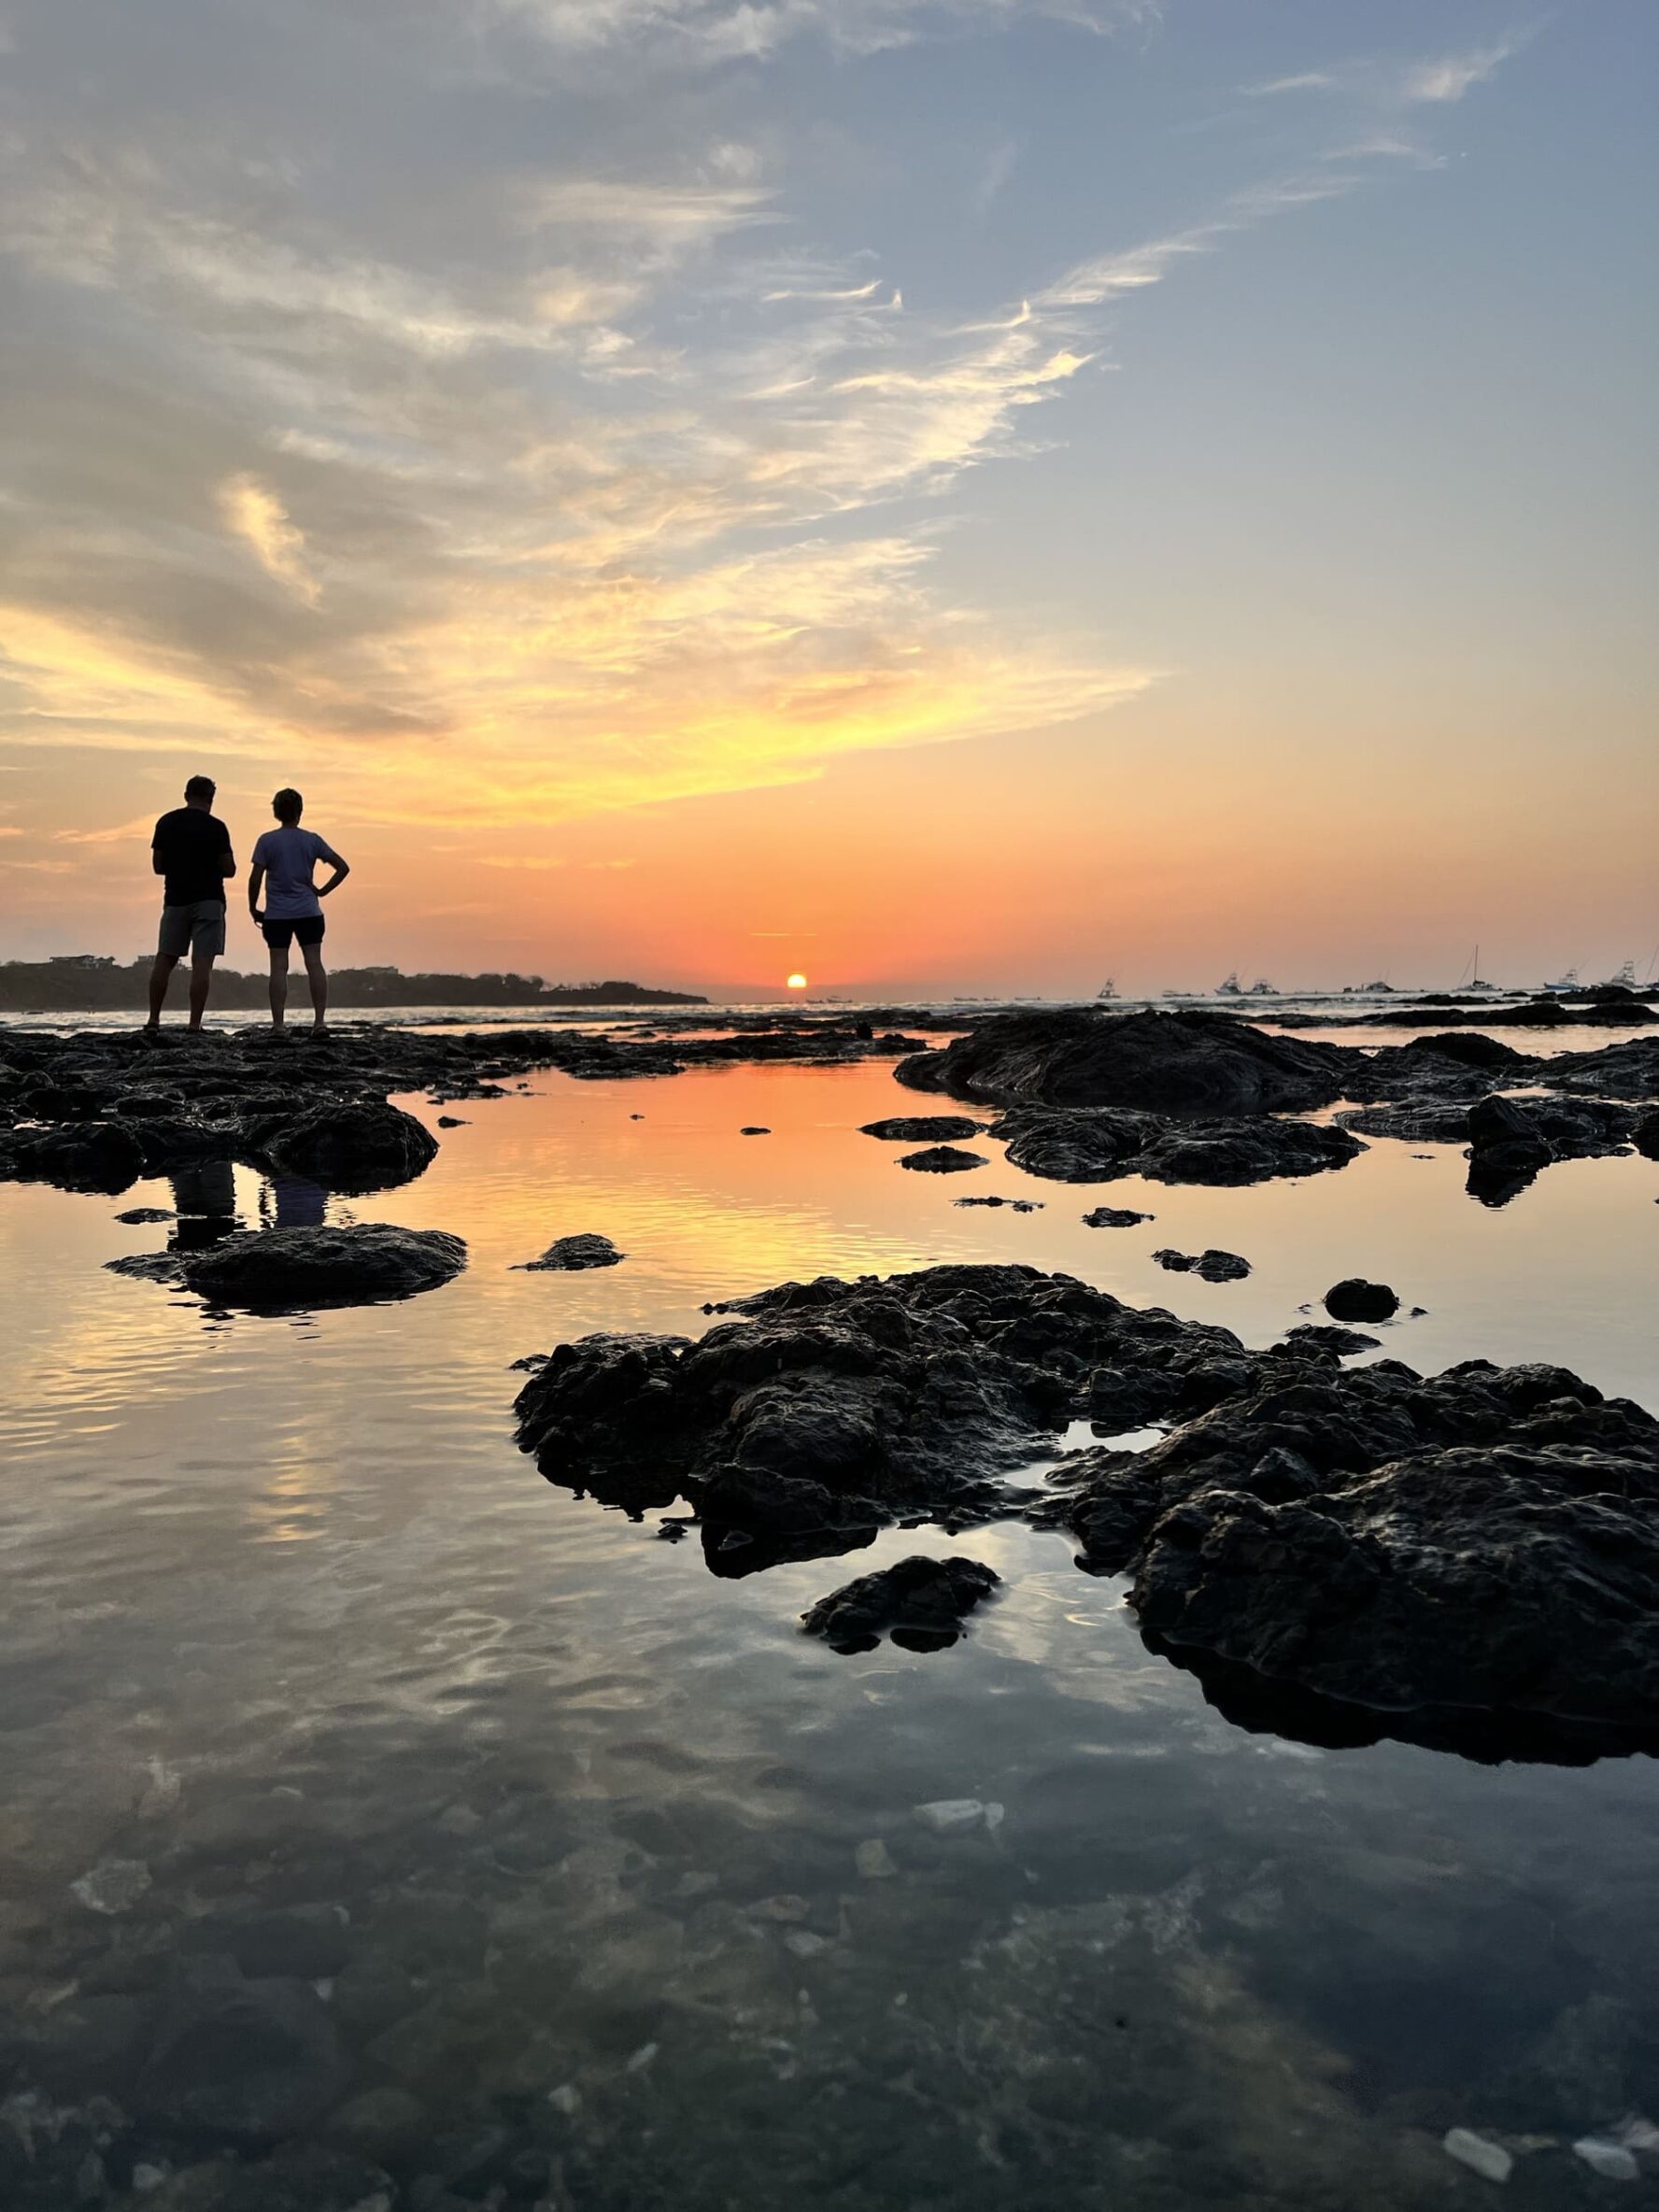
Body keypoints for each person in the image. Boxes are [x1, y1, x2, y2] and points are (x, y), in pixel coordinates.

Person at [248, 788, 349, 1032]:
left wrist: (253, 908)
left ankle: (278, 1025)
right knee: (314, 963)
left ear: (276, 812)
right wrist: (322, 891)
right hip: (308, 911)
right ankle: (319, 1023)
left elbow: (255, 879)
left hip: (277, 914)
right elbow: (342, 867)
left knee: (278, 967)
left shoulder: (267, 840)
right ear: (300, 812)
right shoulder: (311, 840)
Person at [148, 774, 235, 1031]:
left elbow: (157, 865)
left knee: (165, 958)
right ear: (211, 799)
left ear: (186, 795)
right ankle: (194, 1024)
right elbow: (229, 869)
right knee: (202, 962)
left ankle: (154, 1019)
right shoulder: (217, 827)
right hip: (209, 898)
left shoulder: (167, 822)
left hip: (175, 898)